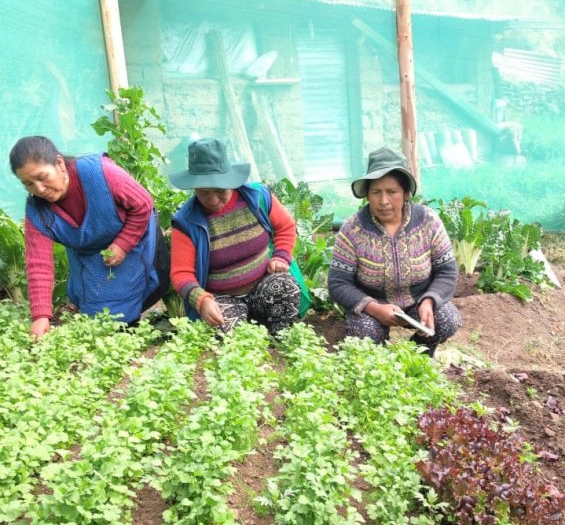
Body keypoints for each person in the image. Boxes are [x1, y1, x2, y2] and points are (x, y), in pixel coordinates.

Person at [10, 135, 170, 338]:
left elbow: (143, 203)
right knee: (94, 310)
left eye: (42, 177)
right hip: (87, 257)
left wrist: (123, 243)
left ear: (59, 163)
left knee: (126, 302)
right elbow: (38, 263)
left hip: (132, 238)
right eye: (29, 184)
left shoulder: (98, 172)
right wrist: (40, 315)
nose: (39, 189)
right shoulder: (37, 212)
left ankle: (129, 333)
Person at [328, 146, 462, 356]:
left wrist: (429, 300)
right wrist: (373, 308)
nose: (383, 201)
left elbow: (447, 271)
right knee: (364, 333)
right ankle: (381, 365)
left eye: (392, 192)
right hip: (372, 306)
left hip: (418, 302)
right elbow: (338, 283)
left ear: (406, 193)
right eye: (376, 192)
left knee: (447, 319)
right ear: (367, 195)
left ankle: (417, 355)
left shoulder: (428, 221)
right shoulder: (353, 229)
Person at [169, 137, 301, 335]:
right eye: (204, 193)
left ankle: (278, 340)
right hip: (223, 298)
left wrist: (281, 256)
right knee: (224, 330)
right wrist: (202, 300)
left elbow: (285, 226)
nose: (213, 200)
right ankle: (249, 339)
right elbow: (181, 273)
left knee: (285, 286)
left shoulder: (257, 197)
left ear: (230, 181)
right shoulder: (186, 221)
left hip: (264, 286)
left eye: (220, 191)